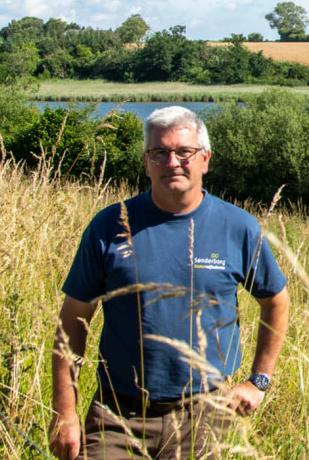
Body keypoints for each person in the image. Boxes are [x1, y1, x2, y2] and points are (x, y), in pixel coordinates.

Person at [48, 106, 290, 460]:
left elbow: (276, 301)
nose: (172, 162)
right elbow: (72, 321)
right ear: (146, 163)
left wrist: (259, 381)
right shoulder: (110, 225)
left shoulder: (237, 227)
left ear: (205, 159)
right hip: (117, 415)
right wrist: (65, 413)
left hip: (204, 415)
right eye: (159, 153)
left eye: (183, 152)